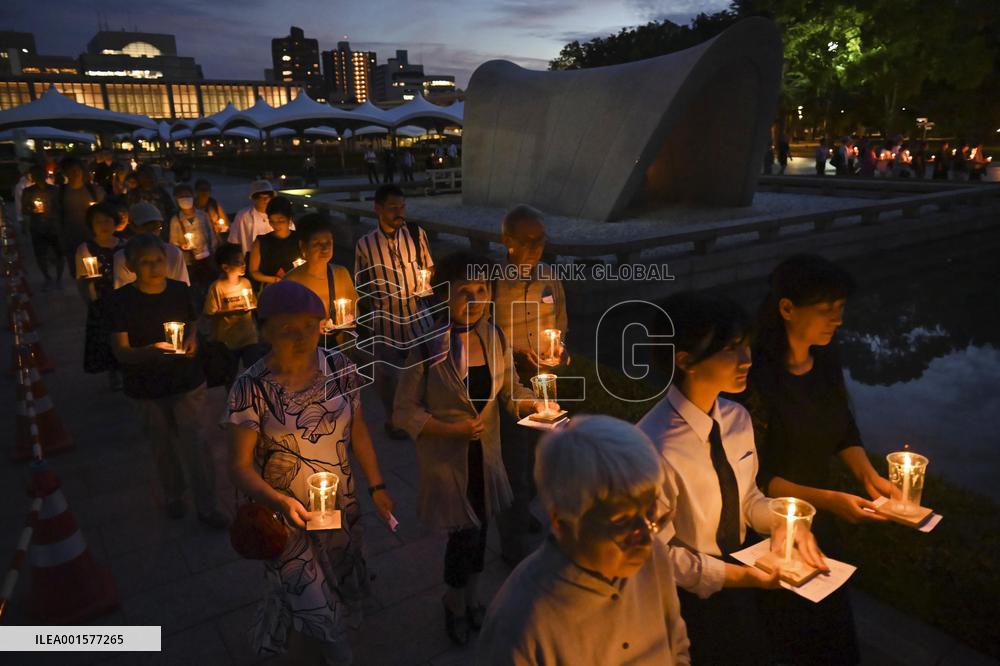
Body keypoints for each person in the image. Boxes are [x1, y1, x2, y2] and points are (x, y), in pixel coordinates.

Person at [637, 290, 827, 666]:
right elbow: (656, 555)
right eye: (731, 349)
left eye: (747, 346)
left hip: (741, 577)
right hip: (686, 599)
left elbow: (748, 499)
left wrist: (785, 524)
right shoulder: (650, 445)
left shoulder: (736, 419)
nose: (747, 360)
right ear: (686, 361)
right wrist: (743, 578)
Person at [226, 280, 394, 663]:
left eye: (310, 325)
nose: (301, 335)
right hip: (285, 518)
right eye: (287, 328)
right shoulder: (250, 387)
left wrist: (378, 485)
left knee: (322, 596)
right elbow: (237, 466)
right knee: (316, 602)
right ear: (264, 330)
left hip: (340, 509)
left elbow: (359, 430)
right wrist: (280, 502)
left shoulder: (342, 368)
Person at [743, 254, 895, 665]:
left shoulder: (824, 356)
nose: (837, 320)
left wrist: (868, 477)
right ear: (787, 308)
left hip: (823, 518)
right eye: (827, 310)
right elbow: (756, 474)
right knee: (786, 631)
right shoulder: (752, 375)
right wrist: (828, 500)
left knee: (832, 630)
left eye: (841, 309)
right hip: (770, 521)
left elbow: (843, 429)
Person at [392, 251, 545, 646]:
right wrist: (448, 428)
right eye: (465, 292)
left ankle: (472, 597)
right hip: (448, 461)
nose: (475, 300)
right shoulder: (428, 347)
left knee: (482, 529)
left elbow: (510, 391)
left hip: (485, 456)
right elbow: (404, 411)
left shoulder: (494, 336)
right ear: (446, 295)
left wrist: (538, 403)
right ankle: (454, 601)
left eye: (482, 289)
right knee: (463, 535)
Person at [478, 416, 690, 665]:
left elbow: (676, 645)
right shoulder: (520, 627)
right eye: (623, 520)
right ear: (561, 521)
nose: (646, 537)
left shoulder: (653, 556)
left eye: (652, 510)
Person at [108, 234, 227, 527]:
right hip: (146, 386)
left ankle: (207, 506)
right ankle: (174, 495)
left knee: (196, 442)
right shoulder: (121, 301)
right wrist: (149, 352)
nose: (154, 266)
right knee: (162, 447)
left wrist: (191, 342)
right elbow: (121, 351)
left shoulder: (179, 290)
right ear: (132, 266)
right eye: (145, 262)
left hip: (186, 380)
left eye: (158, 260)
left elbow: (192, 324)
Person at [492, 205, 569, 566]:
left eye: (541, 239)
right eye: (527, 240)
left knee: (543, 458)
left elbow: (561, 324)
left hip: (544, 382)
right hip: (506, 381)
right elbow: (485, 335)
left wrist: (559, 352)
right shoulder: (491, 281)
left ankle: (522, 512)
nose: (536, 246)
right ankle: (512, 539)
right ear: (506, 240)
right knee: (514, 461)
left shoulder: (550, 278)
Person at [354, 184, 435, 438]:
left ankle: (422, 415)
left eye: (402, 207)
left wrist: (425, 279)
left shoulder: (415, 233)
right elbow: (360, 283)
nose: (399, 212)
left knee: (426, 369)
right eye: (392, 208)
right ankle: (393, 419)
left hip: (418, 315)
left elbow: (429, 266)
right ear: (377, 209)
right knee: (386, 375)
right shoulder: (365, 244)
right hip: (386, 319)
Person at [284, 214, 357, 345]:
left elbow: (355, 309)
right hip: (305, 351)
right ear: (303, 246)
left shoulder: (341, 273)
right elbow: (283, 322)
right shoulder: (291, 281)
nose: (325, 248)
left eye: (328, 242)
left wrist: (348, 318)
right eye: (317, 243)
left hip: (339, 350)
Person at [75, 202, 123, 389]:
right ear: (91, 224)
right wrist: (89, 299)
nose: (104, 225)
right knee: (107, 337)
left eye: (107, 220)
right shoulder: (85, 249)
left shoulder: (124, 246)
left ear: (115, 222)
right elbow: (81, 278)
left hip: (123, 298)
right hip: (101, 299)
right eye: (98, 221)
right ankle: (113, 373)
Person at [203, 243, 264, 389]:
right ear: (225, 267)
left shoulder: (246, 283)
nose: (243, 265)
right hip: (228, 339)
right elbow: (210, 313)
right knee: (230, 374)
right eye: (238, 262)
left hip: (249, 335)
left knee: (255, 370)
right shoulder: (217, 287)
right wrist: (233, 312)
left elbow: (253, 303)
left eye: (243, 261)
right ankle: (234, 401)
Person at [113, 203, 190, 289]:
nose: (152, 232)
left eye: (156, 227)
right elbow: (123, 293)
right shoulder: (122, 258)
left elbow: (182, 288)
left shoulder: (174, 253)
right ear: (133, 226)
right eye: (146, 227)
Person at [58, 157, 105, 279]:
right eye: (71, 170)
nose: (75, 173)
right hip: (71, 238)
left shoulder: (94, 190)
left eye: (77, 169)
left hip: (93, 237)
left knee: (98, 271)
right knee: (78, 273)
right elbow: (57, 217)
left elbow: (104, 211)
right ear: (65, 173)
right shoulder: (60, 193)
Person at [20, 165, 64, 289]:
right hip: (37, 227)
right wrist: (33, 209)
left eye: (40, 174)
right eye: (35, 174)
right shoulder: (28, 191)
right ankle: (47, 278)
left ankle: (59, 278)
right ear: (32, 177)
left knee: (59, 253)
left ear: (45, 175)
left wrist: (54, 212)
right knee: (40, 254)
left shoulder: (55, 190)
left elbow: (61, 207)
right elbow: (24, 209)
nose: (38, 176)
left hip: (54, 227)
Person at [168, 183, 216, 290]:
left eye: (187, 195)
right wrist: (182, 246)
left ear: (193, 196)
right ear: (176, 199)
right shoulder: (175, 220)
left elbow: (211, 234)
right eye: (181, 196)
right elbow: (173, 242)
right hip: (188, 261)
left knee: (207, 284)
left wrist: (212, 250)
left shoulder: (203, 215)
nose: (184, 199)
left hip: (206, 257)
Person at [249, 196, 301, 287]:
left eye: (281, 221)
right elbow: (254, 271)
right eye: (272, 221)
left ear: (289, 219)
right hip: (270, 287)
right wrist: (274, 280)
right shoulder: (261, 242)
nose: (276, 225)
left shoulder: (300, 238)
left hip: (297, 286)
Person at [229, 180, 276, 256]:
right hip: (250, 259)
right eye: (261, 197)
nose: (265, 200)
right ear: (254, 198)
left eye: (268, 196)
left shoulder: (279, 215)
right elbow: (234, 241)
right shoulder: (243, 216)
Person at [127, 164, 176, 236]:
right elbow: (130, 211)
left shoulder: (161, 192)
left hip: (161, 229)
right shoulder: (135, 193)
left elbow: (171, 210)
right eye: (144, 176)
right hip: (141, 229)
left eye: (149, 175)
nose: (147, 179)